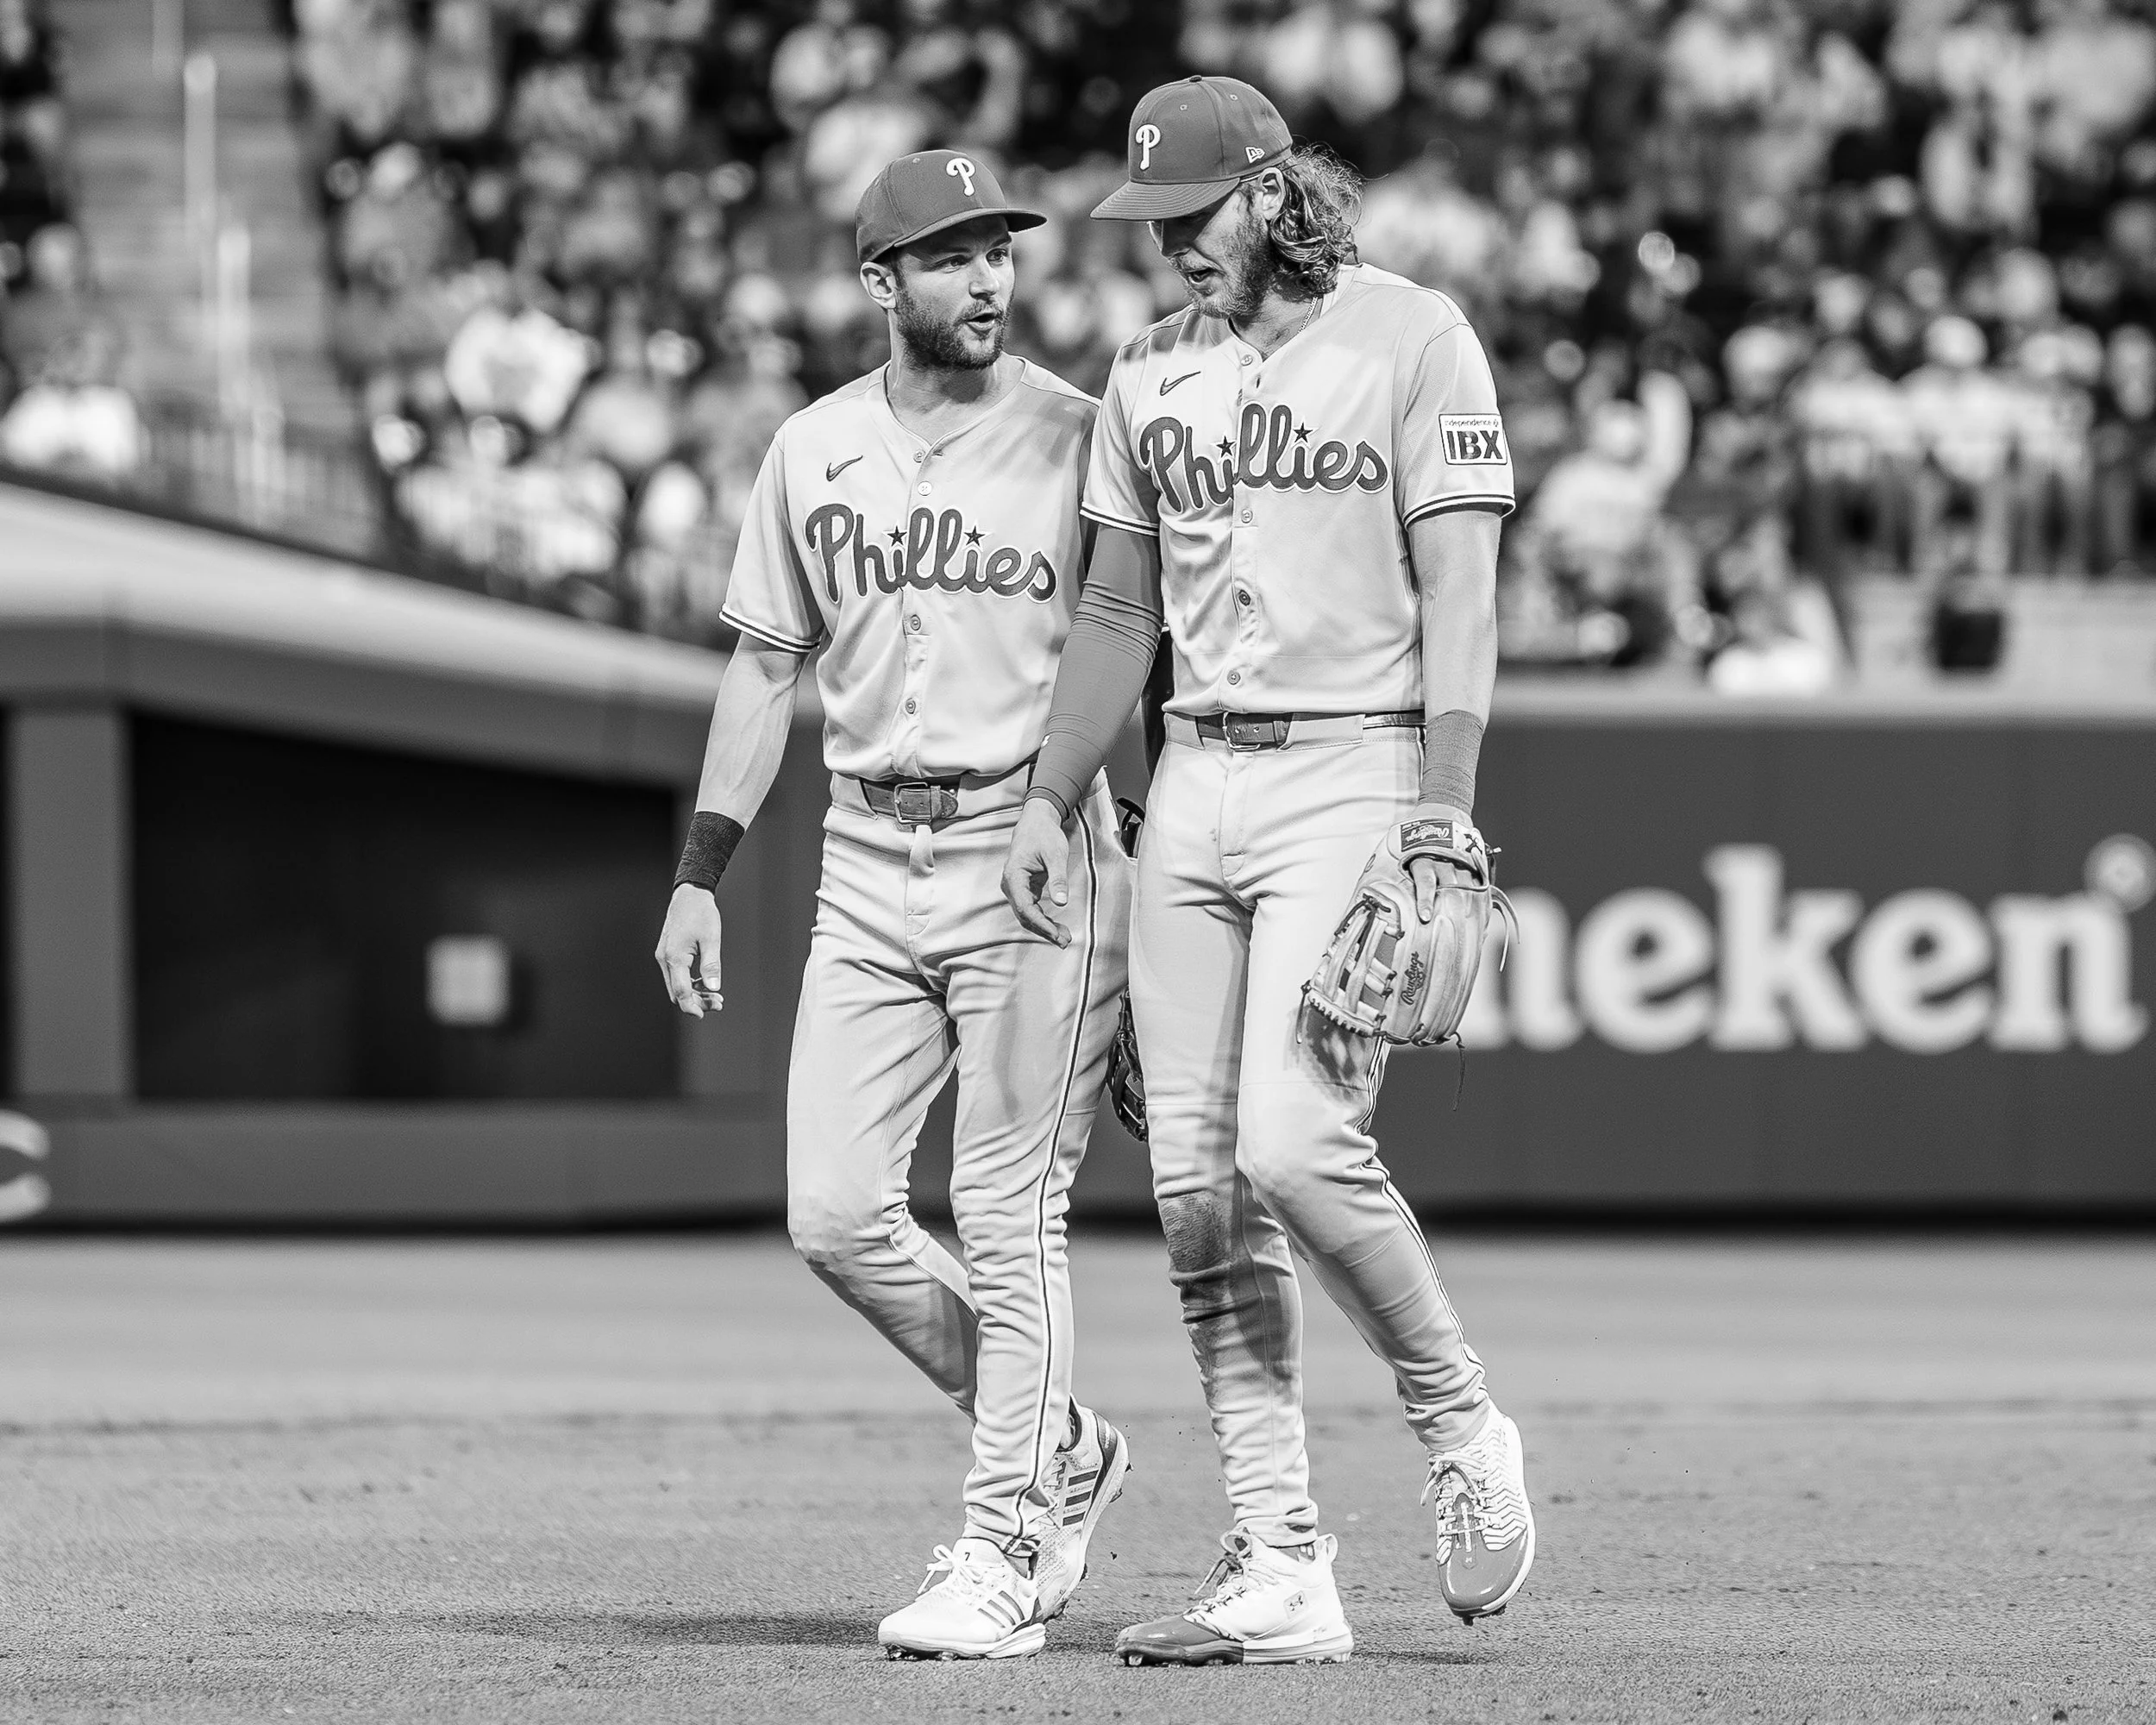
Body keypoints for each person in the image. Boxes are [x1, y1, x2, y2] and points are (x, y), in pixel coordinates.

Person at [1001, 76, 1536, 1667]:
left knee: (1299, 1148)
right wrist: (1052, 793)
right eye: (1152, 223)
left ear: (1275, 193)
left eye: (1193, 215)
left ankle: (1461, 1428)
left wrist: (1442, 806)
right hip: (1196, 788)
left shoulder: (1416, 335)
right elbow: (1114, 615)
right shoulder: (1148, 368)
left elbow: (1465, 596)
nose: (1170, 249)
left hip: (1354, 765)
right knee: (1188, 1188)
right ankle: (1281, 1560)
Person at [652, 150, 1132, 1662]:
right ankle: (1061, 1439)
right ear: (882, 284)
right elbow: (761, 669)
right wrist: (700, 876)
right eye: (953, 254)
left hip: (1029, 843)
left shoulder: (1078, 435)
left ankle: (1004, 1545)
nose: (990, 276)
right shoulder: (809, 449)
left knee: (1006, 1211)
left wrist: (1172, 904)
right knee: (837, 1214)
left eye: (1000, 249)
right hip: (864, 857)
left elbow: (1144, 659)